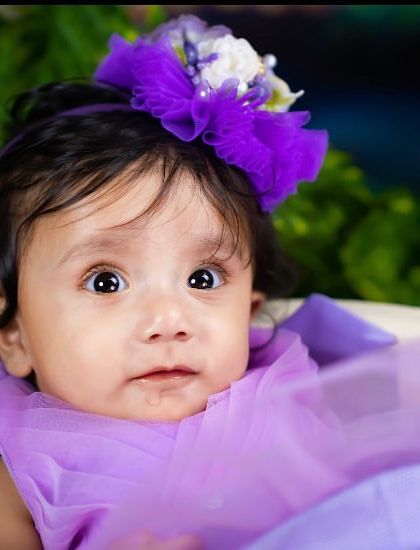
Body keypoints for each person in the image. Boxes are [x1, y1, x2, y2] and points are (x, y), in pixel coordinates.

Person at [0, 14, 419, 550]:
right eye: (105, 282)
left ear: (250, 311)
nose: (168, 322)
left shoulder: (301, 390)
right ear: (15, 334)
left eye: (203, 278)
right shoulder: (18, 469)